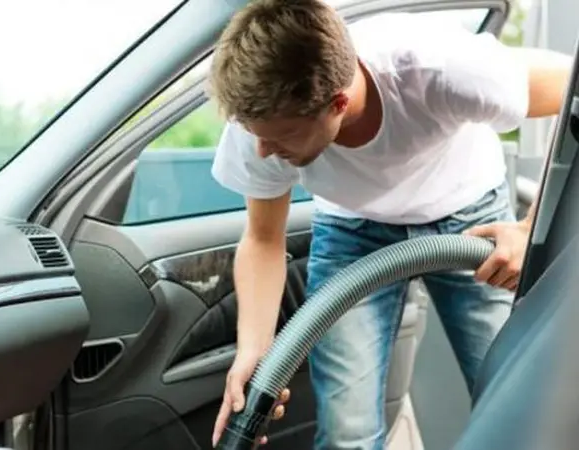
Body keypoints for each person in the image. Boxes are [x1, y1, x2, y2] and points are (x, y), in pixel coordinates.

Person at [207, 1, 573, 449]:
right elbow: (263, 239)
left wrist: (528, 228)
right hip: (351, 233)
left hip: (471, 219)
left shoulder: (439, 65)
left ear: (337, 102)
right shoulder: (260, 125)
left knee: (520, 399)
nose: (262, 151)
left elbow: (572, 90)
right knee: (346, 436)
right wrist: (253, 351)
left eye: (280, 138)